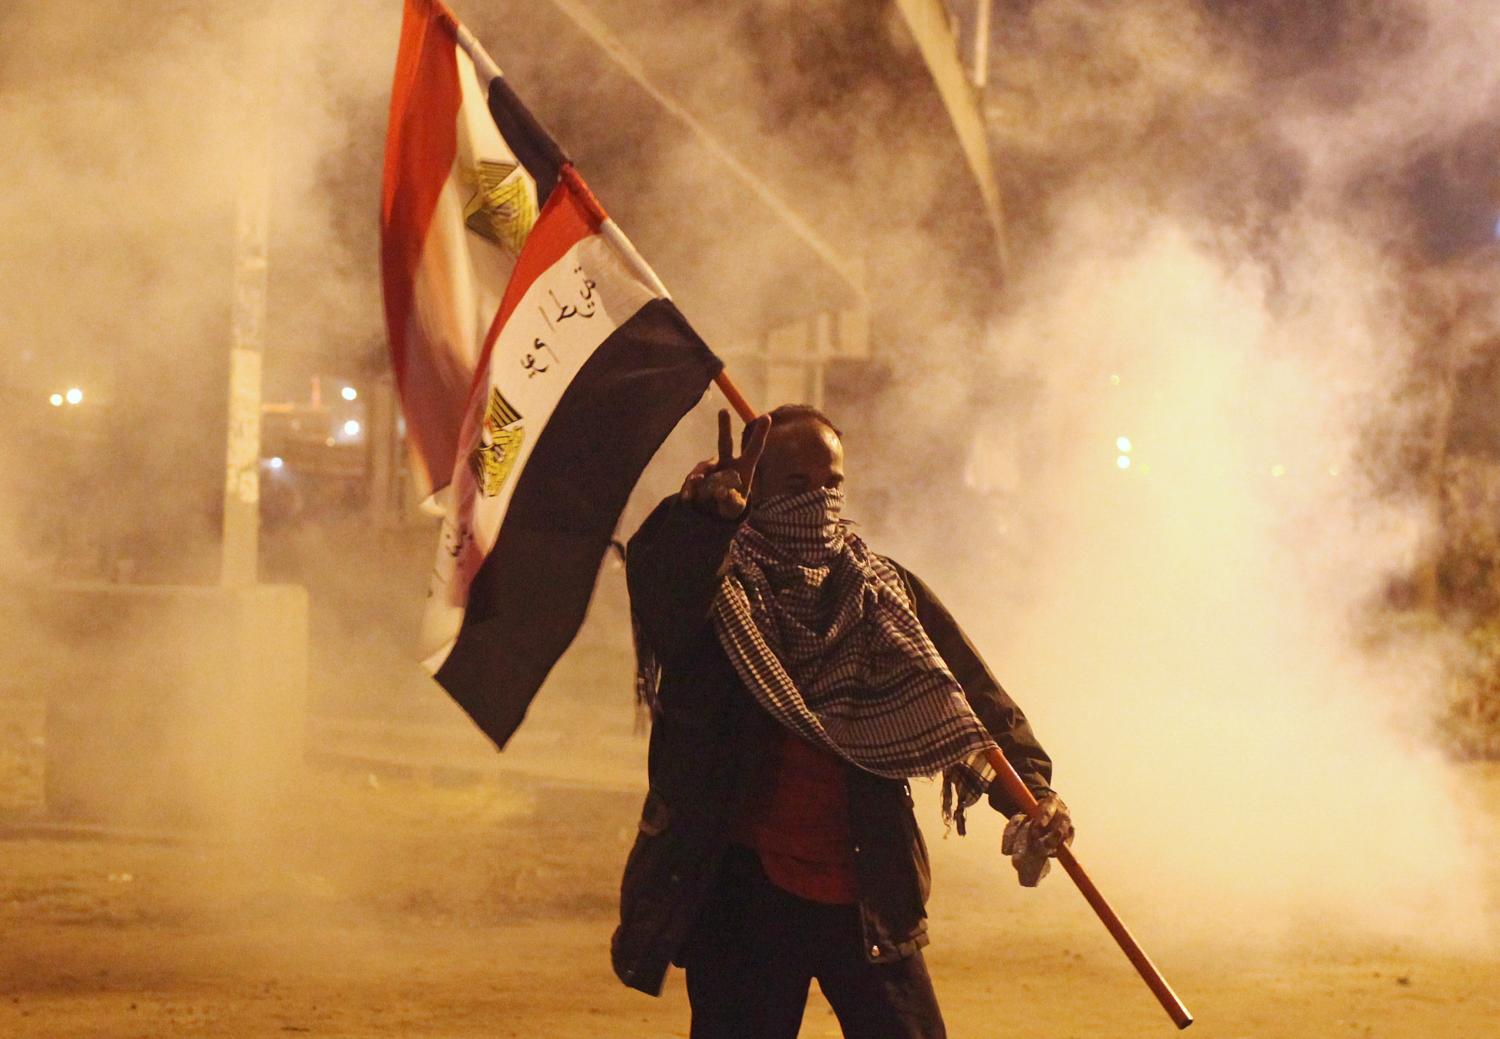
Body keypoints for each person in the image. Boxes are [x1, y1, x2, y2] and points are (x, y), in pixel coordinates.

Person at [613, 404, 1073, 1039]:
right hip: (744, 895)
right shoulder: (720, 589)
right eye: (796, 485)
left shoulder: (882, 591)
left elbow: (970, 699)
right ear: (754, 490)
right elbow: (660, 586)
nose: (818, 500)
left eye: (831, 483)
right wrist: (699, 519)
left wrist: (1033, 793)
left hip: (865, 885)